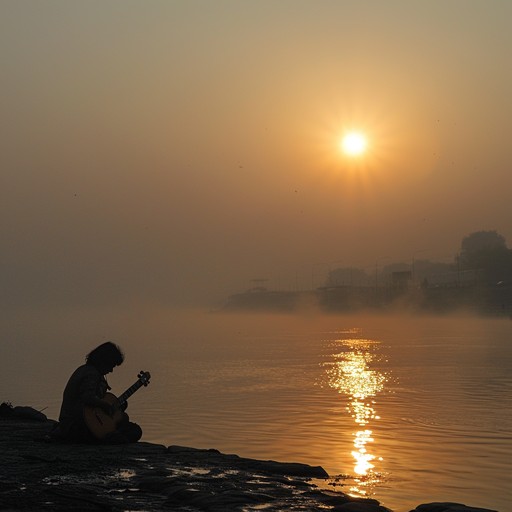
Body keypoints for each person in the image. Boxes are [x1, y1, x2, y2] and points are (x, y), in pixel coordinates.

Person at [54, 341, 142, 444]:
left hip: (75, 424)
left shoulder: (85, 370)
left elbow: (96, 402)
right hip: (76, 425)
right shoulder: (92, 374)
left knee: (123, 419)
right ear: (103, 361)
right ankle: (108, 438)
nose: (111, 370)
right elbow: (87, 397)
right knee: (135, 430)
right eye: (111, 365)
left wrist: (115, 406)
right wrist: (105, 405)